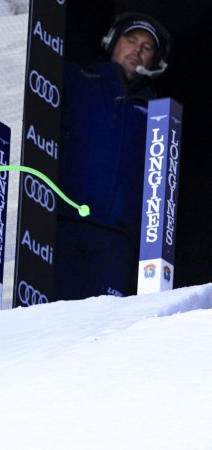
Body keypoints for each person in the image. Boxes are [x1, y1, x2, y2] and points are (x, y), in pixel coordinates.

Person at [54, 12, 172, 300]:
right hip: (63, 227)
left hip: (118, 241)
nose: (137, 50)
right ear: (111, 42)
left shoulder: (159, 112)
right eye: (131, 40)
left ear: (155, 61)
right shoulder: (75, 79)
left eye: (147, 48)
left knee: (101, 332)